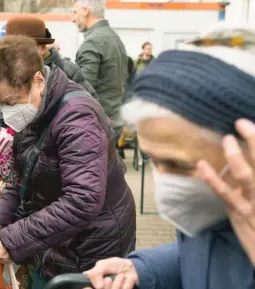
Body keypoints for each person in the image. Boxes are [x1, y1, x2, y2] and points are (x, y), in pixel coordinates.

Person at [83, 25, 255, 289]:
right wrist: (143, 268)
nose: (163, 180)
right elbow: (208, 250)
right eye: (152, 159)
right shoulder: (214, 209)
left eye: (178, 165)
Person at [0, 35, 136, 289]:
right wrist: (1, 217)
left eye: (10, 102)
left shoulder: (77, 119)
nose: (8, 112)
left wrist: (14, 239)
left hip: (90, 246)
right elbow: (22, 172)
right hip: (57, 238)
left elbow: (82, 199)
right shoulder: (35, 109)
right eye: (0, 105)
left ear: (39, 79)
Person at [72, 0, 128, 144]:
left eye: (74, 12)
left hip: (96, 126)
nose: (73, 19)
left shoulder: (93, 42)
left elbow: (83, 90)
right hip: (113, 121)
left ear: (85, 10)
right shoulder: (115, 38)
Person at [0, 16, 98, 99]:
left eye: (21, 48)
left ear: (42, 48)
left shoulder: (68, 73)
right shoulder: (9, 72)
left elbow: (90, 109)